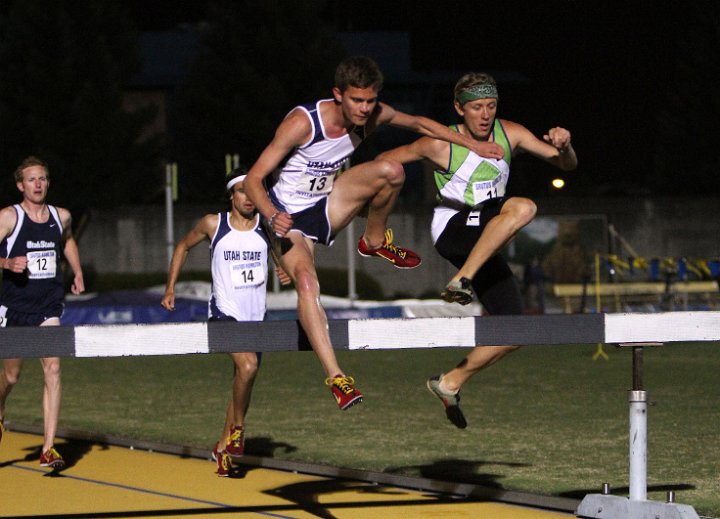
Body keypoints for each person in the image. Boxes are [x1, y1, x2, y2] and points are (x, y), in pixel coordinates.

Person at [244, 56, 505, 410]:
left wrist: (472, 145)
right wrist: (273, 216)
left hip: (327, 203)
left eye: (370, 101)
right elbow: (254, 179)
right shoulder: (302, 123)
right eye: (357, 101)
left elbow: (419, 124)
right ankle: (337, 378)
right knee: (307, 283)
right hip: (289, 218)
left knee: (392, 170)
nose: (365, 110)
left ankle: (374, 240)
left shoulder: (376, 112)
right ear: (338, 95)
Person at [378, 72, 577, 428]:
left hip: (484, 238)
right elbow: (384, 163)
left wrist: (565, 146)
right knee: (524, 208)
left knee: (516, 330)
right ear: (459, 109)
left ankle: (450, 382)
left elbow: (565, 164)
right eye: (476, 108)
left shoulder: (511, 132)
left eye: (491, 106)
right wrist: (361, 195)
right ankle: (462, 279)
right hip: (452, 228)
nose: (485, 115)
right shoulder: (440, 143)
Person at [161, 168, 290, 477]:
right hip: (224, 314)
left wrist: (280, 267)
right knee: (247, 368)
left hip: (255, 318)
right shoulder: (213, 224)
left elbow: (276, 249)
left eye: (253, 192)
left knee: (241, 383)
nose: (248, 198)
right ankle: (238, 432)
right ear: (232, 195)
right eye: (242, 191)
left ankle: (222, 447)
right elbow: (182, 246)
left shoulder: (265, 226)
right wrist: (170, 287)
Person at [0, 156, 85, 467]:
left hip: (48, 306)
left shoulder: (60, 216)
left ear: (48, 183)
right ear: (21, 185)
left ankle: (48, 447)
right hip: (14, 307)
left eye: (43, 179)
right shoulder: (9, 217)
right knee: (11, 375)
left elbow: (68, 240)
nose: (38, 185)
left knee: (53, 369)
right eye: (32, 180)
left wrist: (76, 270)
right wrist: (6, 263)